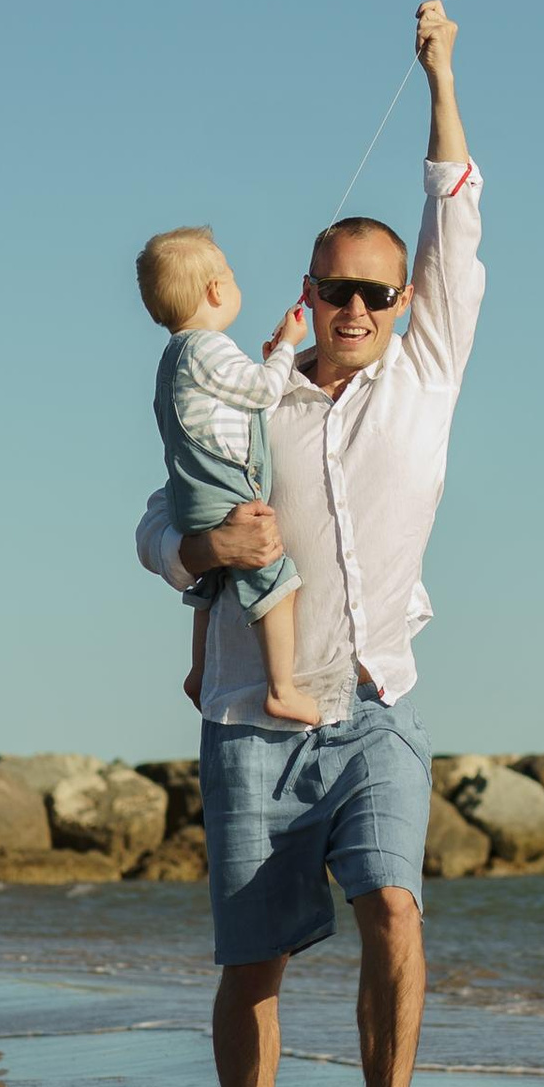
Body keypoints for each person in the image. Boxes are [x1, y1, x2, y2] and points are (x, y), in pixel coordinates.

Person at [135, 0, 483, 1087]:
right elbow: (153, 521)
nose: (354, 309)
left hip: (377, 702)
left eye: (374, 295)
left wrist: (440, 73)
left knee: (394, 909)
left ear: (399, 304)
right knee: (257, 970)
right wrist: (200, 551)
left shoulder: (428, 372)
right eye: (335, 289)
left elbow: (456, 210)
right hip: (251, 724)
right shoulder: (252, 396)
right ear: (307, 291)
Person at [135, 230, 317, 724]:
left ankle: (199, 671)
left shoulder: (175, 356)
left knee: (213, 581)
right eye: (232, 278)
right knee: (273, 574)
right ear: (216, 290)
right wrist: (287, 349)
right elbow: (261, 392)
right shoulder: (209, 348)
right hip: (223, 488)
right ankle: (282, 688)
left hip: (190, 493)